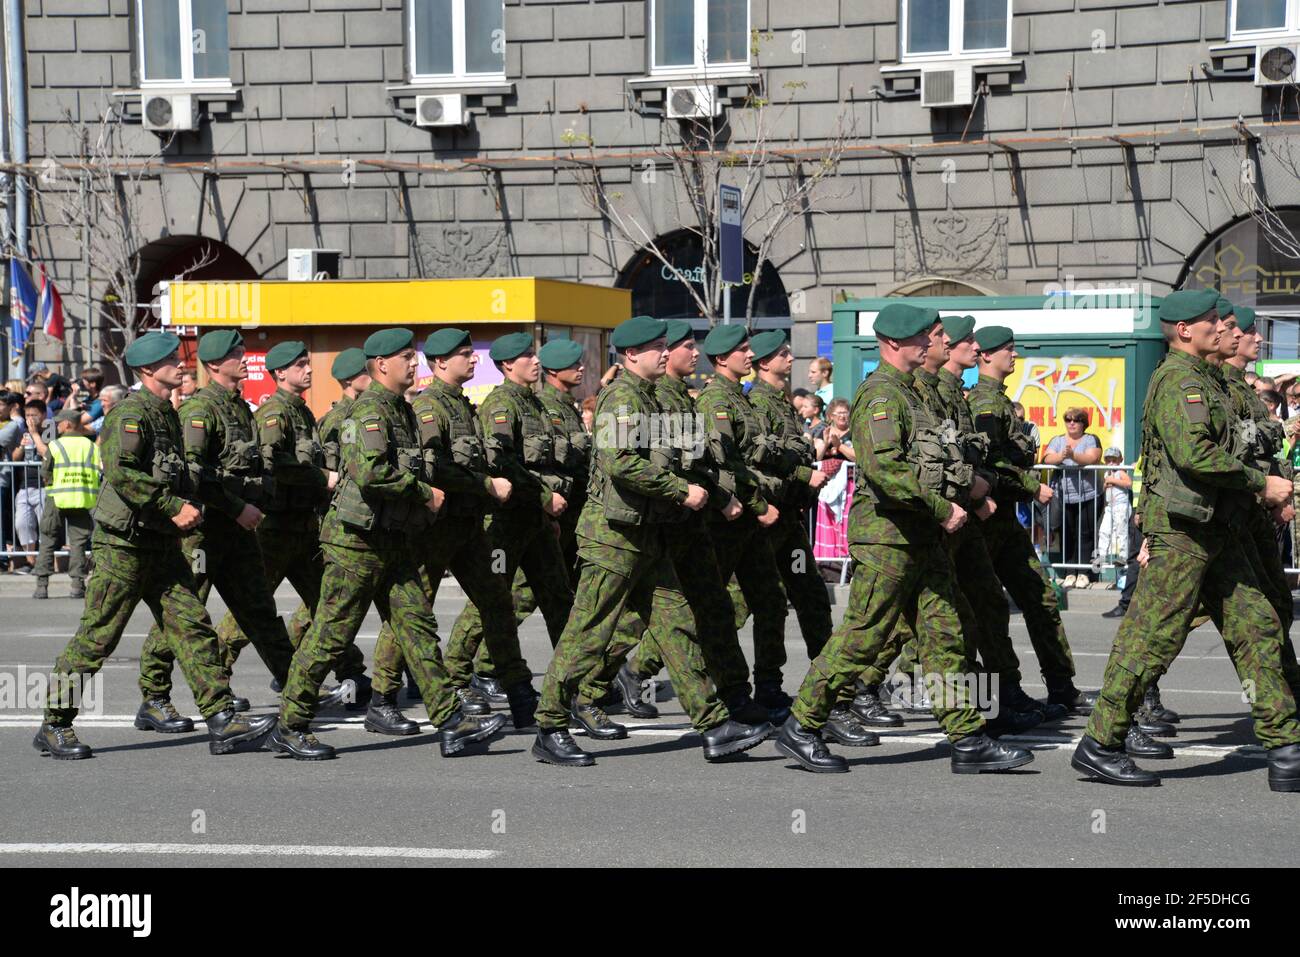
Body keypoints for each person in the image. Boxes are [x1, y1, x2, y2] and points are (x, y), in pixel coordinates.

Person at [774, 302, 1034, 775]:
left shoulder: (912, 393)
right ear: (895, 343)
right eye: (926, 336)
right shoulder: (881, 396)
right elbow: (886, 470)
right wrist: (942, 508)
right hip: (889, 538)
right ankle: (801, 725)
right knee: (862, 637)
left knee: (945, 635)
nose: (936, 342)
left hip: (920, 537)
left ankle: (968, 738)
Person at [1073, 288, 1300, 790]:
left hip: (1220, 529)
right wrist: (1260, 482)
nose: (1222, 329)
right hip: (1183, 532)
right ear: (1184, 330)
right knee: (1153, 637)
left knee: (1258, 628)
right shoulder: (1178, 380)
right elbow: (1194, 454)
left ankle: (1286, 748)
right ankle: (1100, 744)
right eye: (1210, 322)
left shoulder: (1206, 379)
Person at [531, 316, 774, 767]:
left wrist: (706, 490)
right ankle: (549, 725)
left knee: (676, 624)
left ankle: (714, 725)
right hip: (612, 541)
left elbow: (679, 457)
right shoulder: (622, 399)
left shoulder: (652, 398)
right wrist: (682, 492)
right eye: (656, 347)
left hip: (648, 537)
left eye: (666, 345)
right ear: (630, 355)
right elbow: (621, 463)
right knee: (587, 633)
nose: (666, 352)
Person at [34, 331, 278, 760]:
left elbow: (179, 472)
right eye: (170, 359)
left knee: (192, 627)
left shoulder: (167, 412)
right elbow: (123, 473)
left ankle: (222, 719)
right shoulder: (130, 414)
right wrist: (171, 506)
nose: (180, 364)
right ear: (149, 370)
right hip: (123, 547)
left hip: (162, 545)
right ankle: (54, 722)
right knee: (98, 637)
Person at [267, 328, 507, 760]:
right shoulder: (370, 411)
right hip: (355, 544)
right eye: (406, 358)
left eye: (414, 358)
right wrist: (423, 493)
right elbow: (371, 472)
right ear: (381, 366)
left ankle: (452, 721)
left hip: (393, 541)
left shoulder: (402, 409)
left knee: (417, 628)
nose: (415, 365)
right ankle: (290, 723)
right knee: (329, 636)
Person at [367, 328, 540, 731]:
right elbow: (435, 467)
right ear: (442, 362)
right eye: (466, 354)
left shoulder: (462, 406)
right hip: (435, 529)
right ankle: (383, 697)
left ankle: (518, 693)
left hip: (468, 526)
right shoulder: (430, 408)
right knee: (413, 612)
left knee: (497, 604)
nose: (475, 359)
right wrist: (485, 485)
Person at [136, 329, 297, 730]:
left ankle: (299, 690)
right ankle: (154, 695)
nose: (244, 358)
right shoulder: (199, 411)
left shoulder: (239, 407)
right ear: (213, 365)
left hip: (237, 532)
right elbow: (195, 474)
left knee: (260, 611)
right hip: (204, 531)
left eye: (242, 350)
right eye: (235, 353)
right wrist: (236, 504)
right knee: (182, 616)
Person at [212, 341, 372, 707]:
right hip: (276, 529)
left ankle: (352, 673)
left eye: (307, 363)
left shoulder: (301, 413)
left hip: (304, 528)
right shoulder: (275, 414)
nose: (310, 369)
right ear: (280, 372)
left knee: (327, 603)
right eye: (300, 365)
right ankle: (215, 679)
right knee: (252, 611)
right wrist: (319, 477)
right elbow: (272, 463)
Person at [440, 333, 577, 711]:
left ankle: (573, 683)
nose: (535, 361)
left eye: (534, 354)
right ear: (506, 365)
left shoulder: (534, 404)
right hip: (504, 523)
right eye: (525, 356)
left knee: (558, 598)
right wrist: (544, 497)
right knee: (491, 599)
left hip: (534, 521)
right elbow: (503, 464)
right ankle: (455, 676)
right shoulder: (500, 405)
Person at [968, 327, 1097, 716]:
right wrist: (1029, 484)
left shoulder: (1001, 402)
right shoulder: (983, 403)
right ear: (985, 355)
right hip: (984, 520)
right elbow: (988, 463)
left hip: (1006, 522)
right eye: (1007, 349)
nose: (1014, 355)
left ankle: (1059, 685)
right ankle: (985, 701)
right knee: (976, 612)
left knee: (1039, 598)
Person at [696, 324, 795, 719]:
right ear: (722, 358)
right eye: (742, 350)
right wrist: (756, 503)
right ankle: (711, 690)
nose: (750, 355)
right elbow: (724, 464)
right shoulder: (714, 401)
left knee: (770, 601)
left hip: (749, 520)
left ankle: (767, 686)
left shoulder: (741, 399)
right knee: (710, 608)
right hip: (727, 519)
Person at [33, 409, 101, 600]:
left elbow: (45, 473)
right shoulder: (91, 447)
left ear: (68, 424)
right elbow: (98, 471)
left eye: (59, 423)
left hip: (57, 499)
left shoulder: (56, 445)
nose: (57, 426)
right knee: (78, 543)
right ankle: (77, 586)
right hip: (83, 500)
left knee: (47, 540)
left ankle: (42, 586)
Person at [1042, 407, 1102, 586]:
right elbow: (1046, 458)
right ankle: (1069, 572)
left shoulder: (1090, 439)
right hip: (1064, 495)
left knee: (1085, 533)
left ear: (1084, 423)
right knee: (1066, 534)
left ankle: (1084, 572)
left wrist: (1073, 455)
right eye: (1068, 419)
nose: (1072, 423)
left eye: (1076, 420)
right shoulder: (1058, 440)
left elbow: (1093, 458)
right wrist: (1061, 455)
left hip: (1088, 494)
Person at [12, 398, 51, 573]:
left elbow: (46, 454)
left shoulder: (49, 430)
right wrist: (21, 445)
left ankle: (43, 562)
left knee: (45, 525)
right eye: (27, 414)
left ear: (43, 415)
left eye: (33, 415)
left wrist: (35, 434)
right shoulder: (24, 433)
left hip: (43, 485)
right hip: (24, 485)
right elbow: (15, 458)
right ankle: (31, 562)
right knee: (22, 523)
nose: (29, 418)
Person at [817, 397, 855, 462]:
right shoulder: (825, 433)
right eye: (839, 413)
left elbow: (857, 458)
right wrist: (825, 444)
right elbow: (816, 459)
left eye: (845, 413)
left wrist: (839, 446)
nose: (842, 416)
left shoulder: (853, 432)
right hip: (825, 470)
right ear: (831, 416)